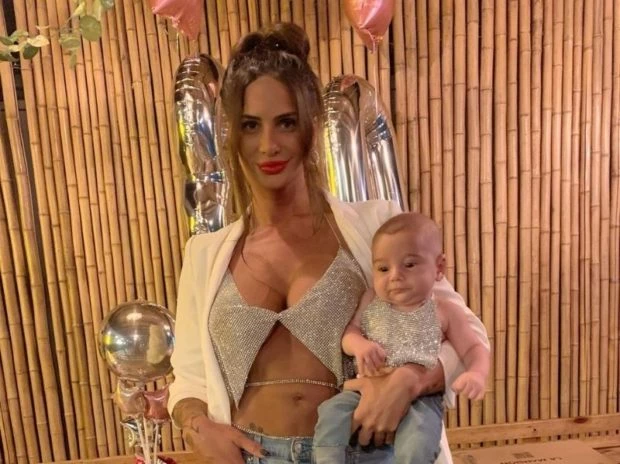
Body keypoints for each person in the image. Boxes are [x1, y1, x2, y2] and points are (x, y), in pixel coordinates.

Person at [167, 22, 490, 464]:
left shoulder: (377, 225)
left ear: (312, 124)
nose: (268, 144)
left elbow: (462, 334)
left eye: (286, 122)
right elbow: (188, 378)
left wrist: (410, 381)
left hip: (364, 453)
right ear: (232, 134)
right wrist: (197, 425)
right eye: (250, 125)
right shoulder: (205, 255)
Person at [313, 212, 490, 463]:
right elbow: (349, 332)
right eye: (383, 268)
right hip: (363, 390)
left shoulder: (444, 311)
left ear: (439, 268)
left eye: (409, 264)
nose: (395, 275)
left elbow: (473, 347)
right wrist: (359, 345)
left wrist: (477, 373)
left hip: (421, 400)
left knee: (418, 443)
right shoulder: (371, 299)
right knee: (331, 415)